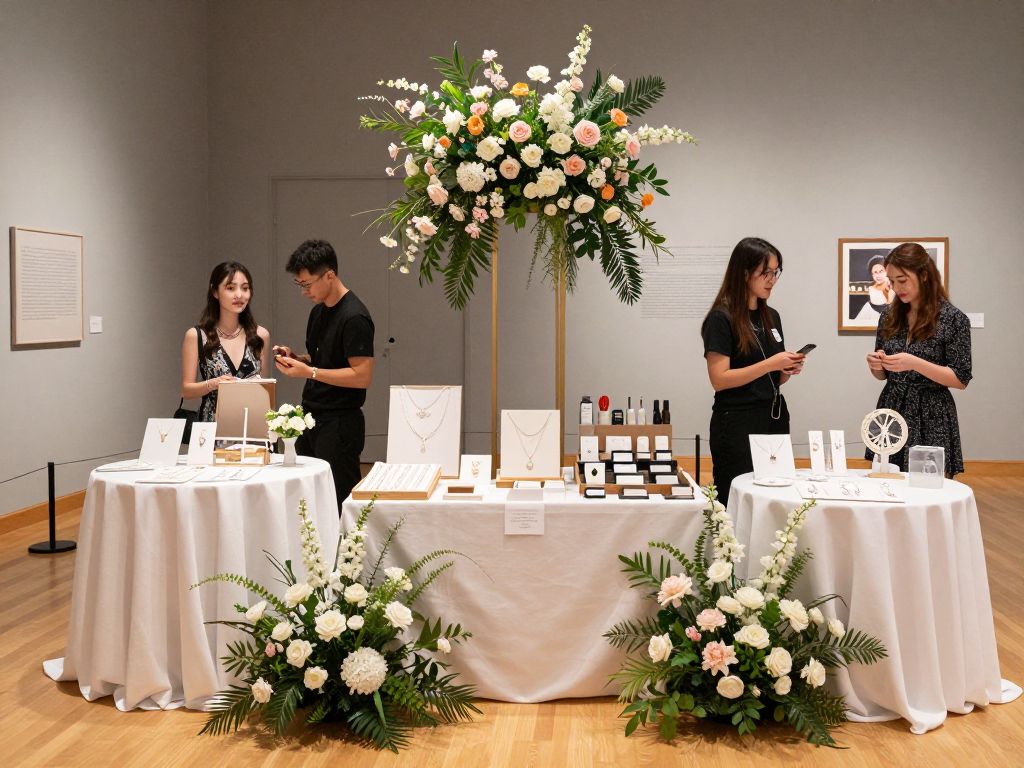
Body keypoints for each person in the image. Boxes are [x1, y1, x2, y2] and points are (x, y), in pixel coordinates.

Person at [701, 237, 806, 502]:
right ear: (745, 272)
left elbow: (772, 379)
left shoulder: (772, 316)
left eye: (775, 272)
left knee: (775, 497)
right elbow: (719, 379)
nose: (772, 279)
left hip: (773, 417)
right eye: (765, 273)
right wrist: (772, 363)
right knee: (734, 499)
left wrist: (787, 368)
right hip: (736, 422)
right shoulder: (721, 317)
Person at [275, 239, 375, 508]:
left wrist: (310, 371)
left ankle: (346, 551)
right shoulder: (318, 313)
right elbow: (325, 360)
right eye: (299, 285)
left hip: (340, 422)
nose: (303, 292)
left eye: (307, 284)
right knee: (310, 500)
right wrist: (297, 359)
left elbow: (361, 375)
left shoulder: (354, 316)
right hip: (312, 419)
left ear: (329, 275)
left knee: (339, 500)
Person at [865, 242, 971, 476]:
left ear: (924, 275)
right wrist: (876, 365)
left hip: (932, 414)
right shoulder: (889, 317)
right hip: (892, 409)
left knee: (929, 491)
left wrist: (913, 362)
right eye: (892, 282)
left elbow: (960, 378)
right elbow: (883, 375)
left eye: (902, 280)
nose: (896, 288)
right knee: (886, 483)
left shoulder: (954, 319)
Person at [181, 262, 270, 421]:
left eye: (245, 288)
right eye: (230, 288)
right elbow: (186, 390)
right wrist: (214, 383)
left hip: (251, 427)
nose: (239, 295)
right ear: (215, 292)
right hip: (211, 428)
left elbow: (265, 389)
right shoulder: (197, 336)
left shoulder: (260, 335)